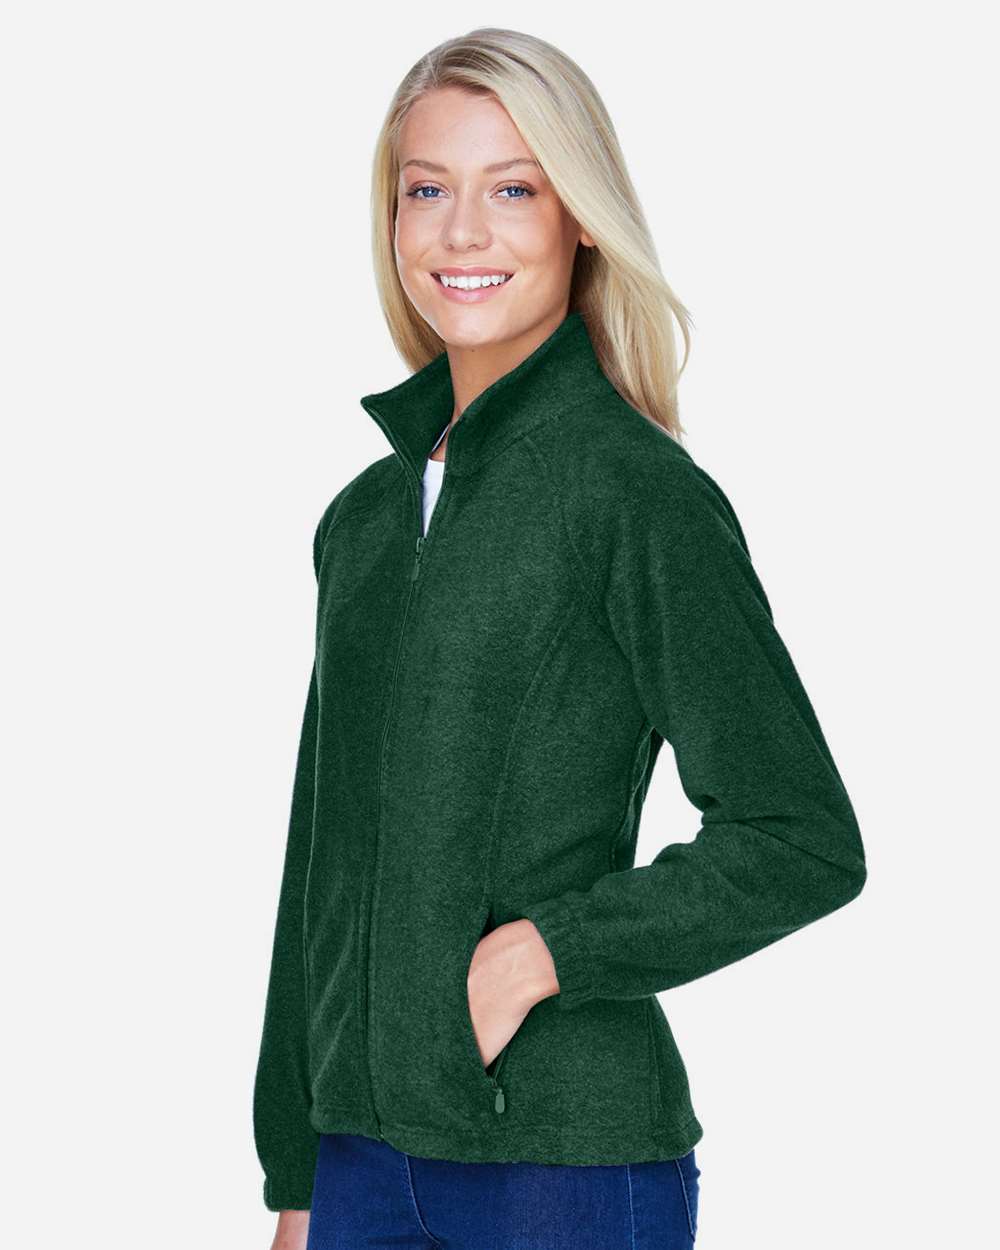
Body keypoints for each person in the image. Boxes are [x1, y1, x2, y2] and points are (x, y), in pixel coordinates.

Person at [252, 27, 867, 1250]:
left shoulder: (633, 494)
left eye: (513, 190)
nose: (460, 233)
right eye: (426, 190)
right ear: (391, 219)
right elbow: (318, 861)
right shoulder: (364, 520)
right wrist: (294, 1171)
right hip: (357, 1163)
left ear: (579, 217)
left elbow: (799, 835)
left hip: (562, 1170)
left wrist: (544, 952)